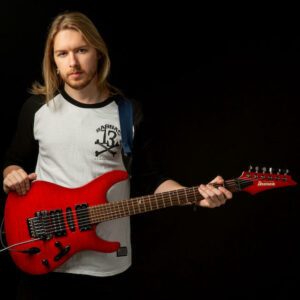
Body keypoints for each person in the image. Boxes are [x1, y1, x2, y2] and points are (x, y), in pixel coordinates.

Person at [2, 11, 232, 299]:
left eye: (81, 50)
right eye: (62, 53)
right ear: (54, 62)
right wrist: (11, 175)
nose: (72, 62)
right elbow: (13, 161)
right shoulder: (37, 108)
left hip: (106, 264)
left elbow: (151, 180)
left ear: (98, 53)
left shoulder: (128, 113)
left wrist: (194, 195)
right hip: (44, 256)